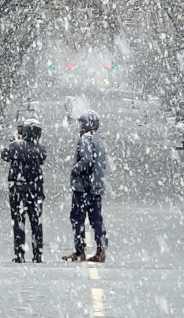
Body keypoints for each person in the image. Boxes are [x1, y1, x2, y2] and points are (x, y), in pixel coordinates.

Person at [62, 110, 108, 263]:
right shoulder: (98, 140)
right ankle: (101, 250)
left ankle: (80, 250)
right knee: (96, 219)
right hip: (95, 187)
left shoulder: (85, 139)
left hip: (83, 188)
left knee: (77, 218)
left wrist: (75, 170)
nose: (79, 126)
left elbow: (87, 160)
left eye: (81, 123)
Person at [1, 118, 46, 263]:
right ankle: (37, 253)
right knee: (36, 222)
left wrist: (16, 141)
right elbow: (41, 158)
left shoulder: (16, 146)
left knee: (18, 221)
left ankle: (19, 253)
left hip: (18, 188)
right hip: (35, 188)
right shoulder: (40, 149)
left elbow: (5, 154)